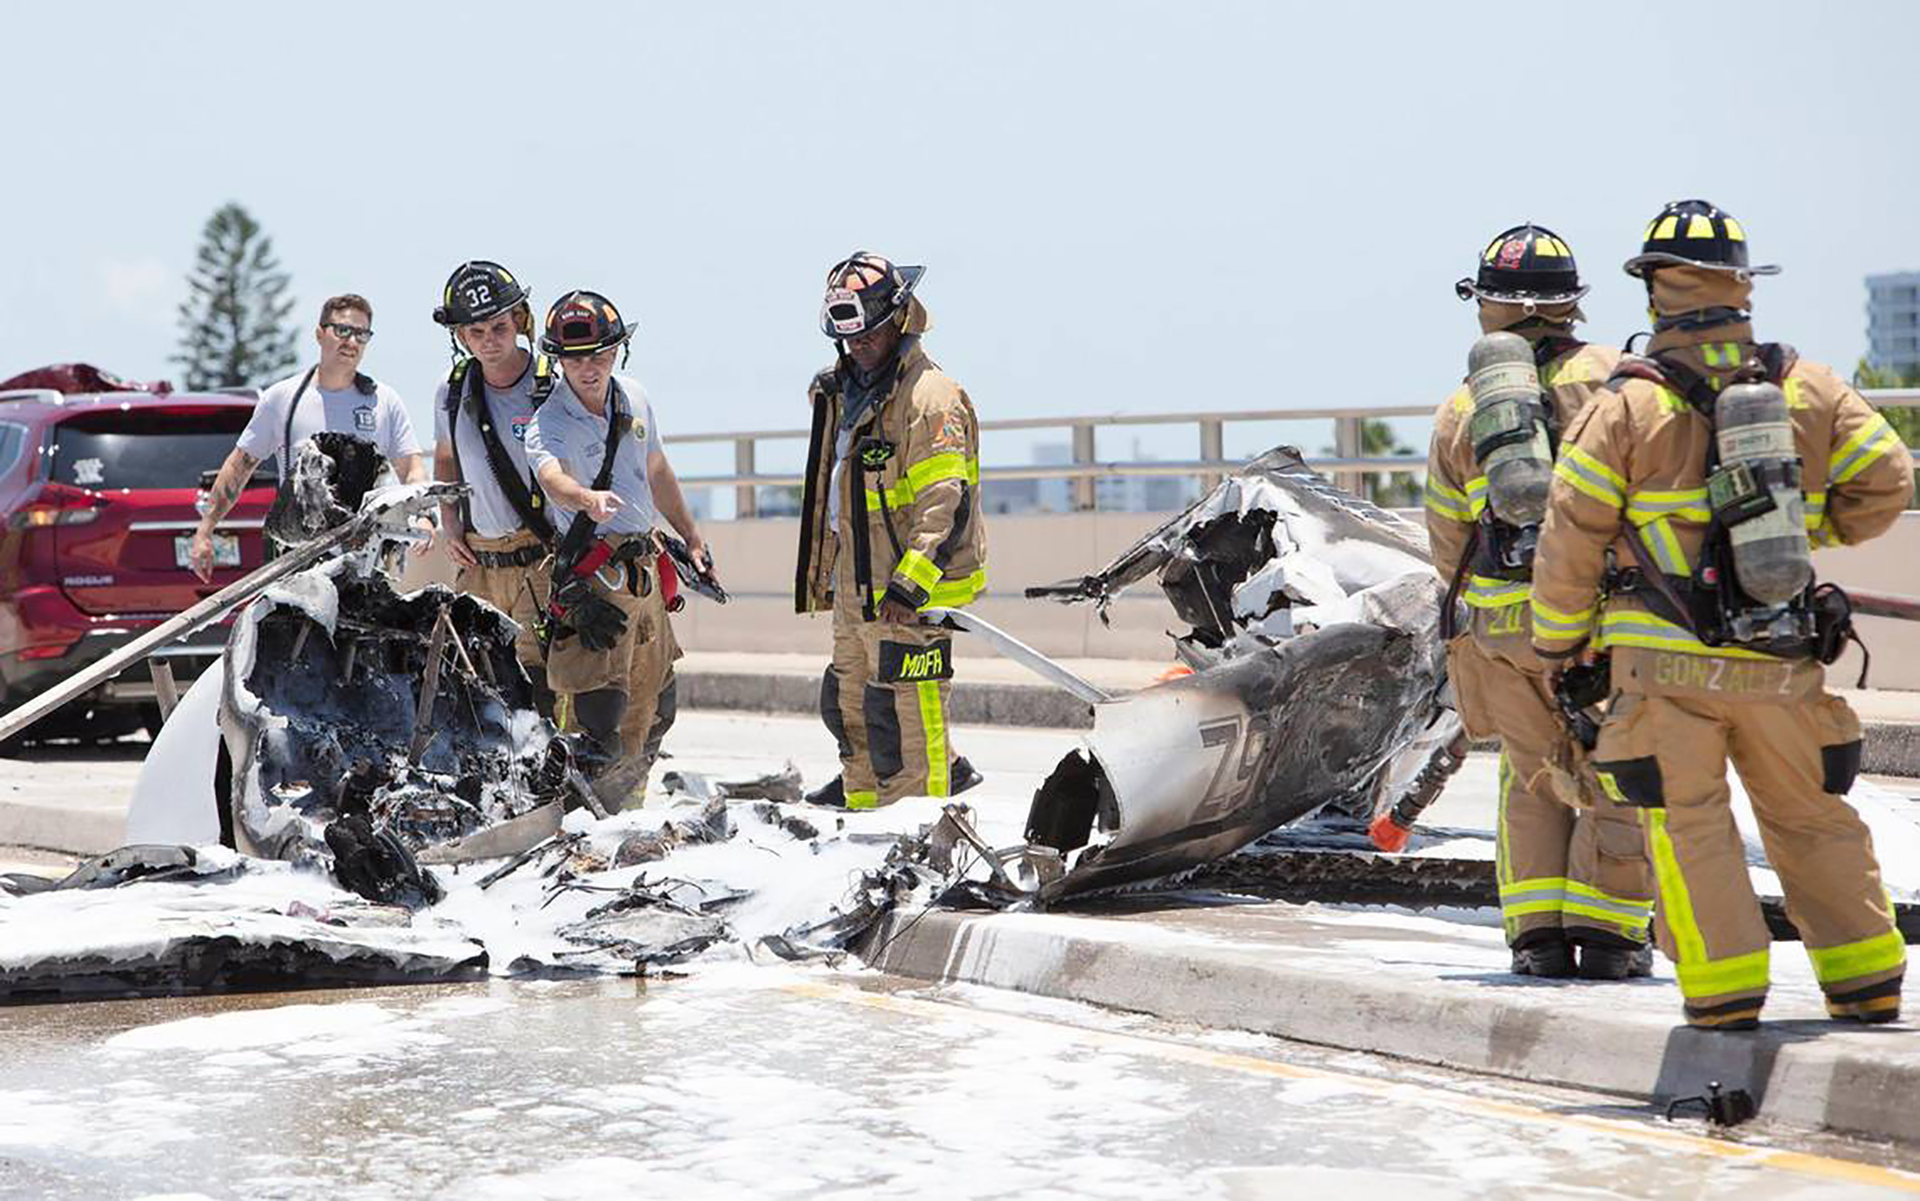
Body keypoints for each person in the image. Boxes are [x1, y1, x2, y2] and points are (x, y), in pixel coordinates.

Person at [1530, 199, 1912, 1028]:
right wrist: (1805, 531)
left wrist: (1558, 642)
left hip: (1663, 672)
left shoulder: (1625, 407)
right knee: (1813, 815)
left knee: (1690, 827)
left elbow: (1570, 536)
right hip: (1780, 656)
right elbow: (1889, 481)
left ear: (1654, 294)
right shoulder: (1804, 385)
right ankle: (1866, 980)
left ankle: (1727, 995)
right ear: (1742, 287)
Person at [1424, 225, 1656, 980]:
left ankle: (1537, 940)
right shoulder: (1618, 381)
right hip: (1600, 621)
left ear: (1487, 304)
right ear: (1572, 305)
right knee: (1615, 769)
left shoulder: (1462, 410)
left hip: (1503, 631)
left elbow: (1446, 545)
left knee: (1531, 776)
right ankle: (1613, 937)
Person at [795, 251, 985, 810]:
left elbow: (946, 500)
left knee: (903, 722)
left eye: (870, 335)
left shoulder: (930, 398)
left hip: (906, 592)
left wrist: (911, 583)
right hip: (859, 586)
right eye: (849, 338)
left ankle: (921, 831)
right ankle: (862, 829)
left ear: (900, 320)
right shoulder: (847, 396)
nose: (859, 346)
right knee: (850, 709)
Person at [525, 290, 709, 809]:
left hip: (643, 566)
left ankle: (628, 813)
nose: (589, 368)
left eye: (600, 355)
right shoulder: (549, 422)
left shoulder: (634, 398)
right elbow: (552, 478)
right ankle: (571, 816)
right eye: (576, 358)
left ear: (617, 352)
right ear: (558, 360)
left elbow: (657, 470)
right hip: (594, 571)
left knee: (656, 705)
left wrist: (691, 537)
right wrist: (586, 498)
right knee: (596, 716)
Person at [190, 294, 425, 582]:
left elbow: (411, 467)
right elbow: (241, 464)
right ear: (319, 333)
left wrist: (425, 515)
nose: (351, 341)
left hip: (367, 557)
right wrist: (206, 530)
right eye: (342, 330)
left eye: (361, 334)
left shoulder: (384, 401)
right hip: (297, 558)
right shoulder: (283, 399)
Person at [430, 260, 561, 717]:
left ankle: (551, 786)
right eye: (476, 332)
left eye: (499, 327)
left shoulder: (551, 386)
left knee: (539, 684)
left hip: (540, 559)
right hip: (480, 562)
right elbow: (445, 459)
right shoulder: (451, 393)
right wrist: (450, 524)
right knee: (476, 681)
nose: (489, 340)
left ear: (520, 321)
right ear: (462, 337)